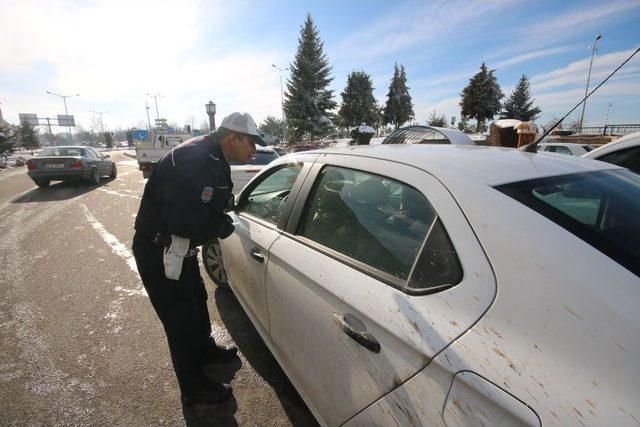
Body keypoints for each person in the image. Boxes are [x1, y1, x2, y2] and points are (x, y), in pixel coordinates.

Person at [132, 112, 266, 406]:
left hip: (179, 248)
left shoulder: (214, 155)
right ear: (233, 138)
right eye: (251, 144)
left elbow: (211, 201)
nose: (254, 152)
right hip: (161, 250)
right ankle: (193, 388)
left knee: (195, 299)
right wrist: (223, 226)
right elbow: (185, 223)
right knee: (180, 319)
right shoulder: (197, 160)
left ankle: (204, 351)